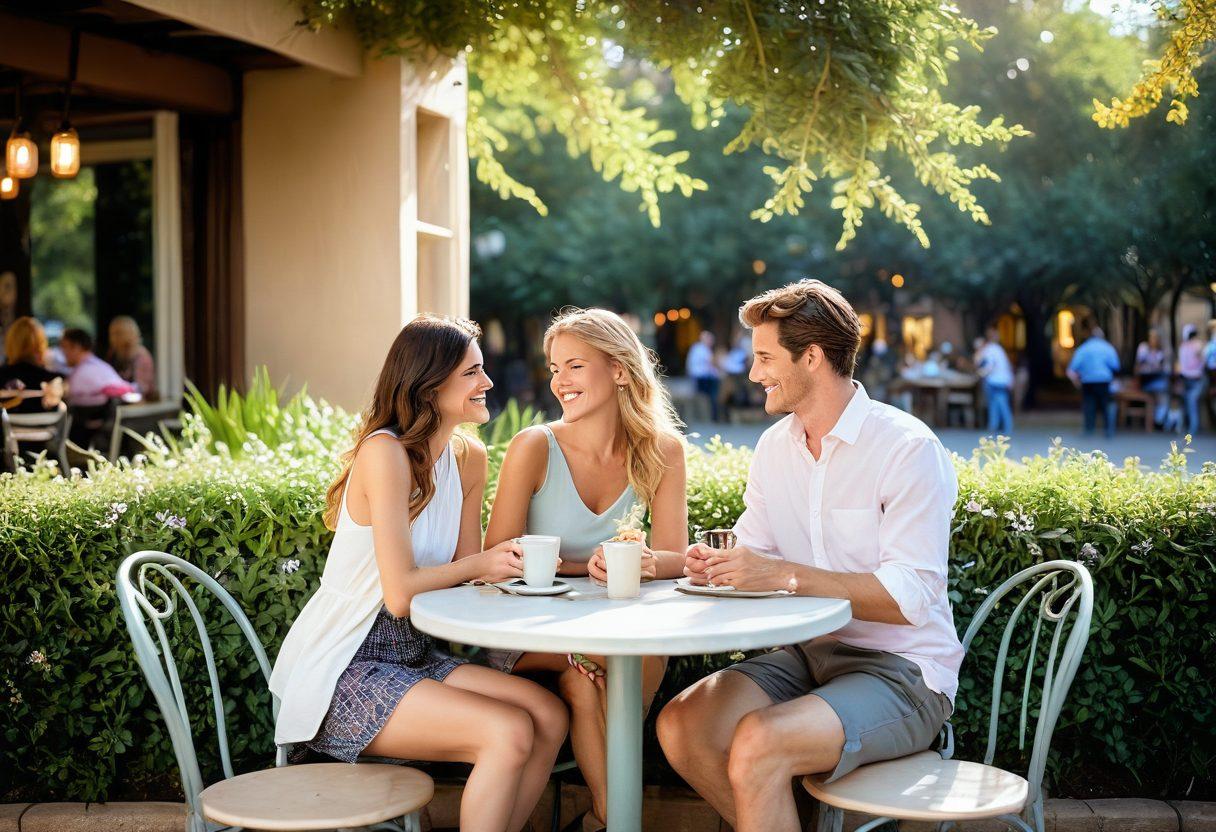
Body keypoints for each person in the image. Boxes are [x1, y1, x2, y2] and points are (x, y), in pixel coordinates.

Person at [657, 280, 961, 832]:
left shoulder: (908, 449)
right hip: (810, 657)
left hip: (904, 673)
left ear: (813, 357)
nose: (753, 374)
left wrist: (783, 575)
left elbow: (911, 600)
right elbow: (757, 550)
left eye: (766, 358)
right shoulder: (776, 446)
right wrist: (719, 567)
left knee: (758, 742)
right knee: (683, 724)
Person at [270, 316, 567, 832]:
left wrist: (543, 604)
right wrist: (480, 566)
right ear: (430, 386)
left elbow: (469, 579)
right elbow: (400, 595)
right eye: (472, 373)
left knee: (549, 716)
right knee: (506, 731)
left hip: (413, 655)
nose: (488, 384)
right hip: (345, 666)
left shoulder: (469, 457)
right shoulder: (383, 453)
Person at [485, 308, 688, 832]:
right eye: (555, 368)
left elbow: (676, 557)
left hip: (607, 628)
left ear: (620, 369)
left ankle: (602, 820)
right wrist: (587, 566)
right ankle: (610, 819)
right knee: (601, 665)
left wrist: (641, 563)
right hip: (529, 630)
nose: (560, 381)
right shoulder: (534, 447)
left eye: (575, 365)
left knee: (585, 682)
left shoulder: (662, 450)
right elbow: (499, 557)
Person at [60, 328, 134, 447]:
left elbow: (66, 397)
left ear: (77, 347)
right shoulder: (101, 366)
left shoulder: (83, 372)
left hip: (89, 438)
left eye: (64, 347)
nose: (62, 352)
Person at [0, 316, 64, 414]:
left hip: (7, 428)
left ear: (10, 344)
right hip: (45, 428)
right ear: (41, 345)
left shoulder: (2, 375)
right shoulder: (54, 381)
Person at [1066, 326, 1120, 437]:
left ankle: (1089, 429)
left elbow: (1072, 368)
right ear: (1102, 336)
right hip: (1104, 381)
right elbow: (1116, 366)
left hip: (1087, 381)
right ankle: (1108, 430)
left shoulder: (1083, 348)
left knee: (1089, 405)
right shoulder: (1108, 348)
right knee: (1106, 405)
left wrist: (1076, 381)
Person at [107, 316, 158, 401]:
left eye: (118, 333)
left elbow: (141, 389)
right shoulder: (113, 354)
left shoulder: (141, 356)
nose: (112, 337)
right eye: (111, 333)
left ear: (130, 334)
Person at [974, 327, 1014, 435]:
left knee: (999, 405)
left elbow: (988, 366)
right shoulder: (999, 349)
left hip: (994, 381)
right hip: (1002, 380)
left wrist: (981, 373)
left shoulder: (989, 350)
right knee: (997, 404)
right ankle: (995, 427)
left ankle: (1003, 428)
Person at [1134, 329, 1171, 429]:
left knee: (1163, 391)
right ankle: (1157, 420)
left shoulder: (1161, 351)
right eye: (1151, 337)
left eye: (1155, 337)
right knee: (1162, 390)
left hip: (1158, 380)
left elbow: (1165, 368)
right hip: (1146, 381)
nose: (1153, 340)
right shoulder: (1144, 348)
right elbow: (1138, 366)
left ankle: (1158, 419)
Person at [687, 330, 722, 422]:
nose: (711, 342)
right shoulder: (702, 349)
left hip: (700, 377)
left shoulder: (697, 348)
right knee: (712, 396)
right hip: (702, 378)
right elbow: (713, 363)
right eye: (710, 339)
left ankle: (711, 416)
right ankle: (713, 417)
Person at [1177, 324, 1205, 435]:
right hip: (1191, 378)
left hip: (1192, 379)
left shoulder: (1191, 345)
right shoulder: (1195, 345)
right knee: (1188, 404)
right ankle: (1187, 429)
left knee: (1190, 403)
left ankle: (1191, 430)